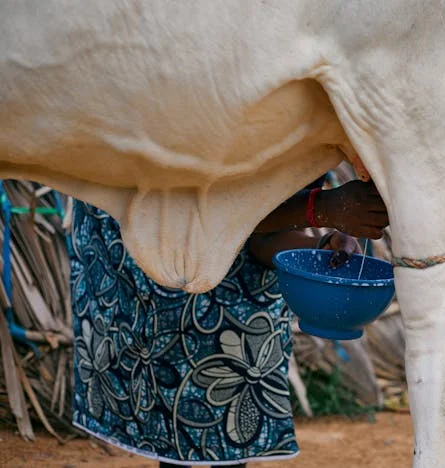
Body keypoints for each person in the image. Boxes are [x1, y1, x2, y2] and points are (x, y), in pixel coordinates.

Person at [69, 176, 388, 467]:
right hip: (168, 264)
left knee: (234, 429)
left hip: (240, 308)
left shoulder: (311, 159)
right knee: (174, 421)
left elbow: (262, 241)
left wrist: (321, 247)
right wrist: (321, 208)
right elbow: (206, 207)